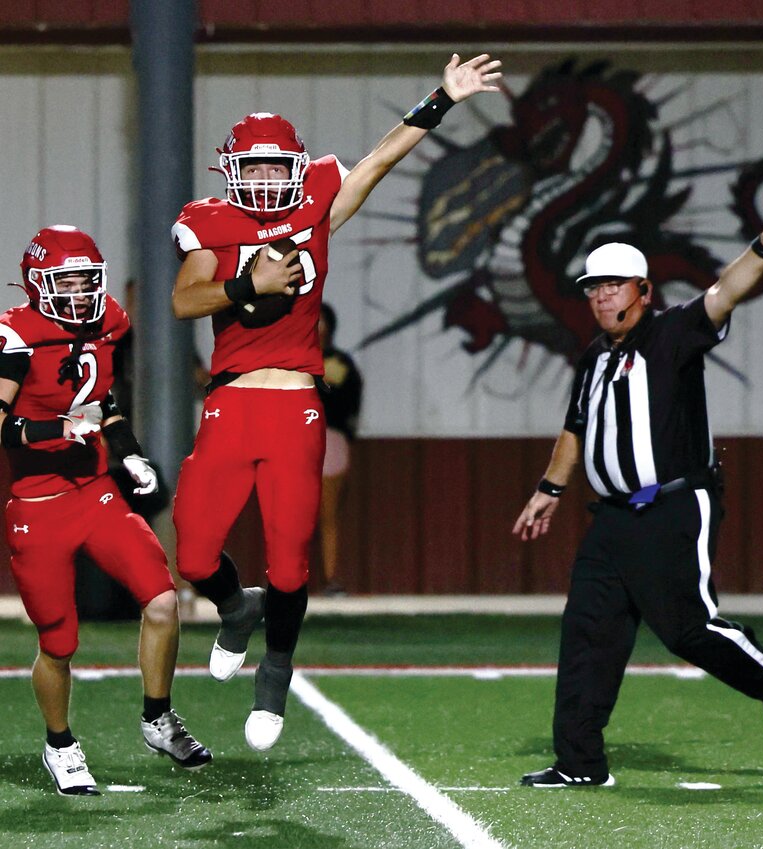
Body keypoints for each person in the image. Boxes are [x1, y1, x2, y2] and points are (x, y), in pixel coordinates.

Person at [170, 53, 502, 752]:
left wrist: (442, 97)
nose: (263, 180)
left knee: (290, 561)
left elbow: (379, 159)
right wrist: (246, 286)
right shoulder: (208, 222)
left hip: (295, 405)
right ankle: (235, 609)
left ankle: (277, 669)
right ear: (232, 173)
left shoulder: (318, 200)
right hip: (231, 402)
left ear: (294, 168)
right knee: (195, 553)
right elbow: (183, 300)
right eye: (252, 169)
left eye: (273, 167)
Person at [513, 198, 763, 788]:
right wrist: (549, 488)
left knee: (687, 627)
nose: (603, 297)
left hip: (674, 503)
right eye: (594, 288)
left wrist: (762, 246)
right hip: (612, 519)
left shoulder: (673, 333)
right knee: (588, 632)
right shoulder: (594, 359)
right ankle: (580, 763)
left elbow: (724, 292)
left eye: (614, 286)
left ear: (644, 290)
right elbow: (576, 428)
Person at [1, 225, 211, 796]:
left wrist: (131, 454)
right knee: (58, 642)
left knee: (163, 602)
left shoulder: (109, 320)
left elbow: (102, 402)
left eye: (85, 279)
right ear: (37, 284)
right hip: (38, 504)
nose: (77, 291)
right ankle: (61, 744)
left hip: (95, 492)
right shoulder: (16, 337)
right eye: (64, 280)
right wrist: (55, 428)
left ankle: (158, 718)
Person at [317, 302, 363, 596]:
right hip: (291, 441)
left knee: (328, 514)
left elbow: (347, 402)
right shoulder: (287, 358)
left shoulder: (338, 364)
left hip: (329, 440)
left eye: (320, 322)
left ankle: (331, 579)